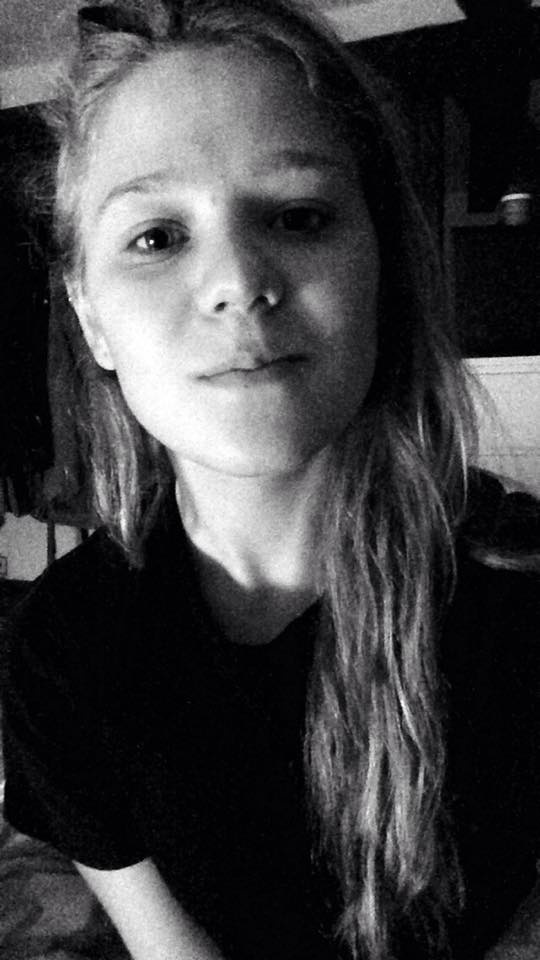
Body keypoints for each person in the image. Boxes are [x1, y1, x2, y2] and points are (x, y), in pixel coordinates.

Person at [1, 1, 539, 958]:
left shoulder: (523, 598)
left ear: (383, 270)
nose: (239, 280)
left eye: (299, 216)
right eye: (158, 237)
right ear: (90, 317)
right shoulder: (60, 656)